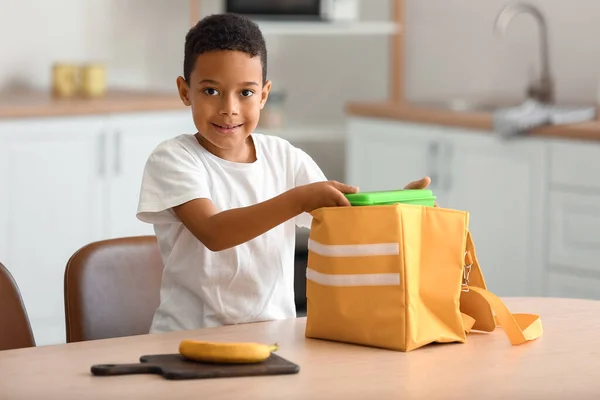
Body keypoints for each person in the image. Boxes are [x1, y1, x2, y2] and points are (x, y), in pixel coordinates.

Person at [136, 13, 432, 333]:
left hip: (273, 339)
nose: (229, 108)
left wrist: (400, 205)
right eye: (211, 91)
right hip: (186, 340)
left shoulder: (284, 157)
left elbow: (343, 217)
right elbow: (214, 232)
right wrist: (298, 199)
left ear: (264, 95)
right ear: (185, 91)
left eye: (245, 93)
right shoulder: (173, 159)